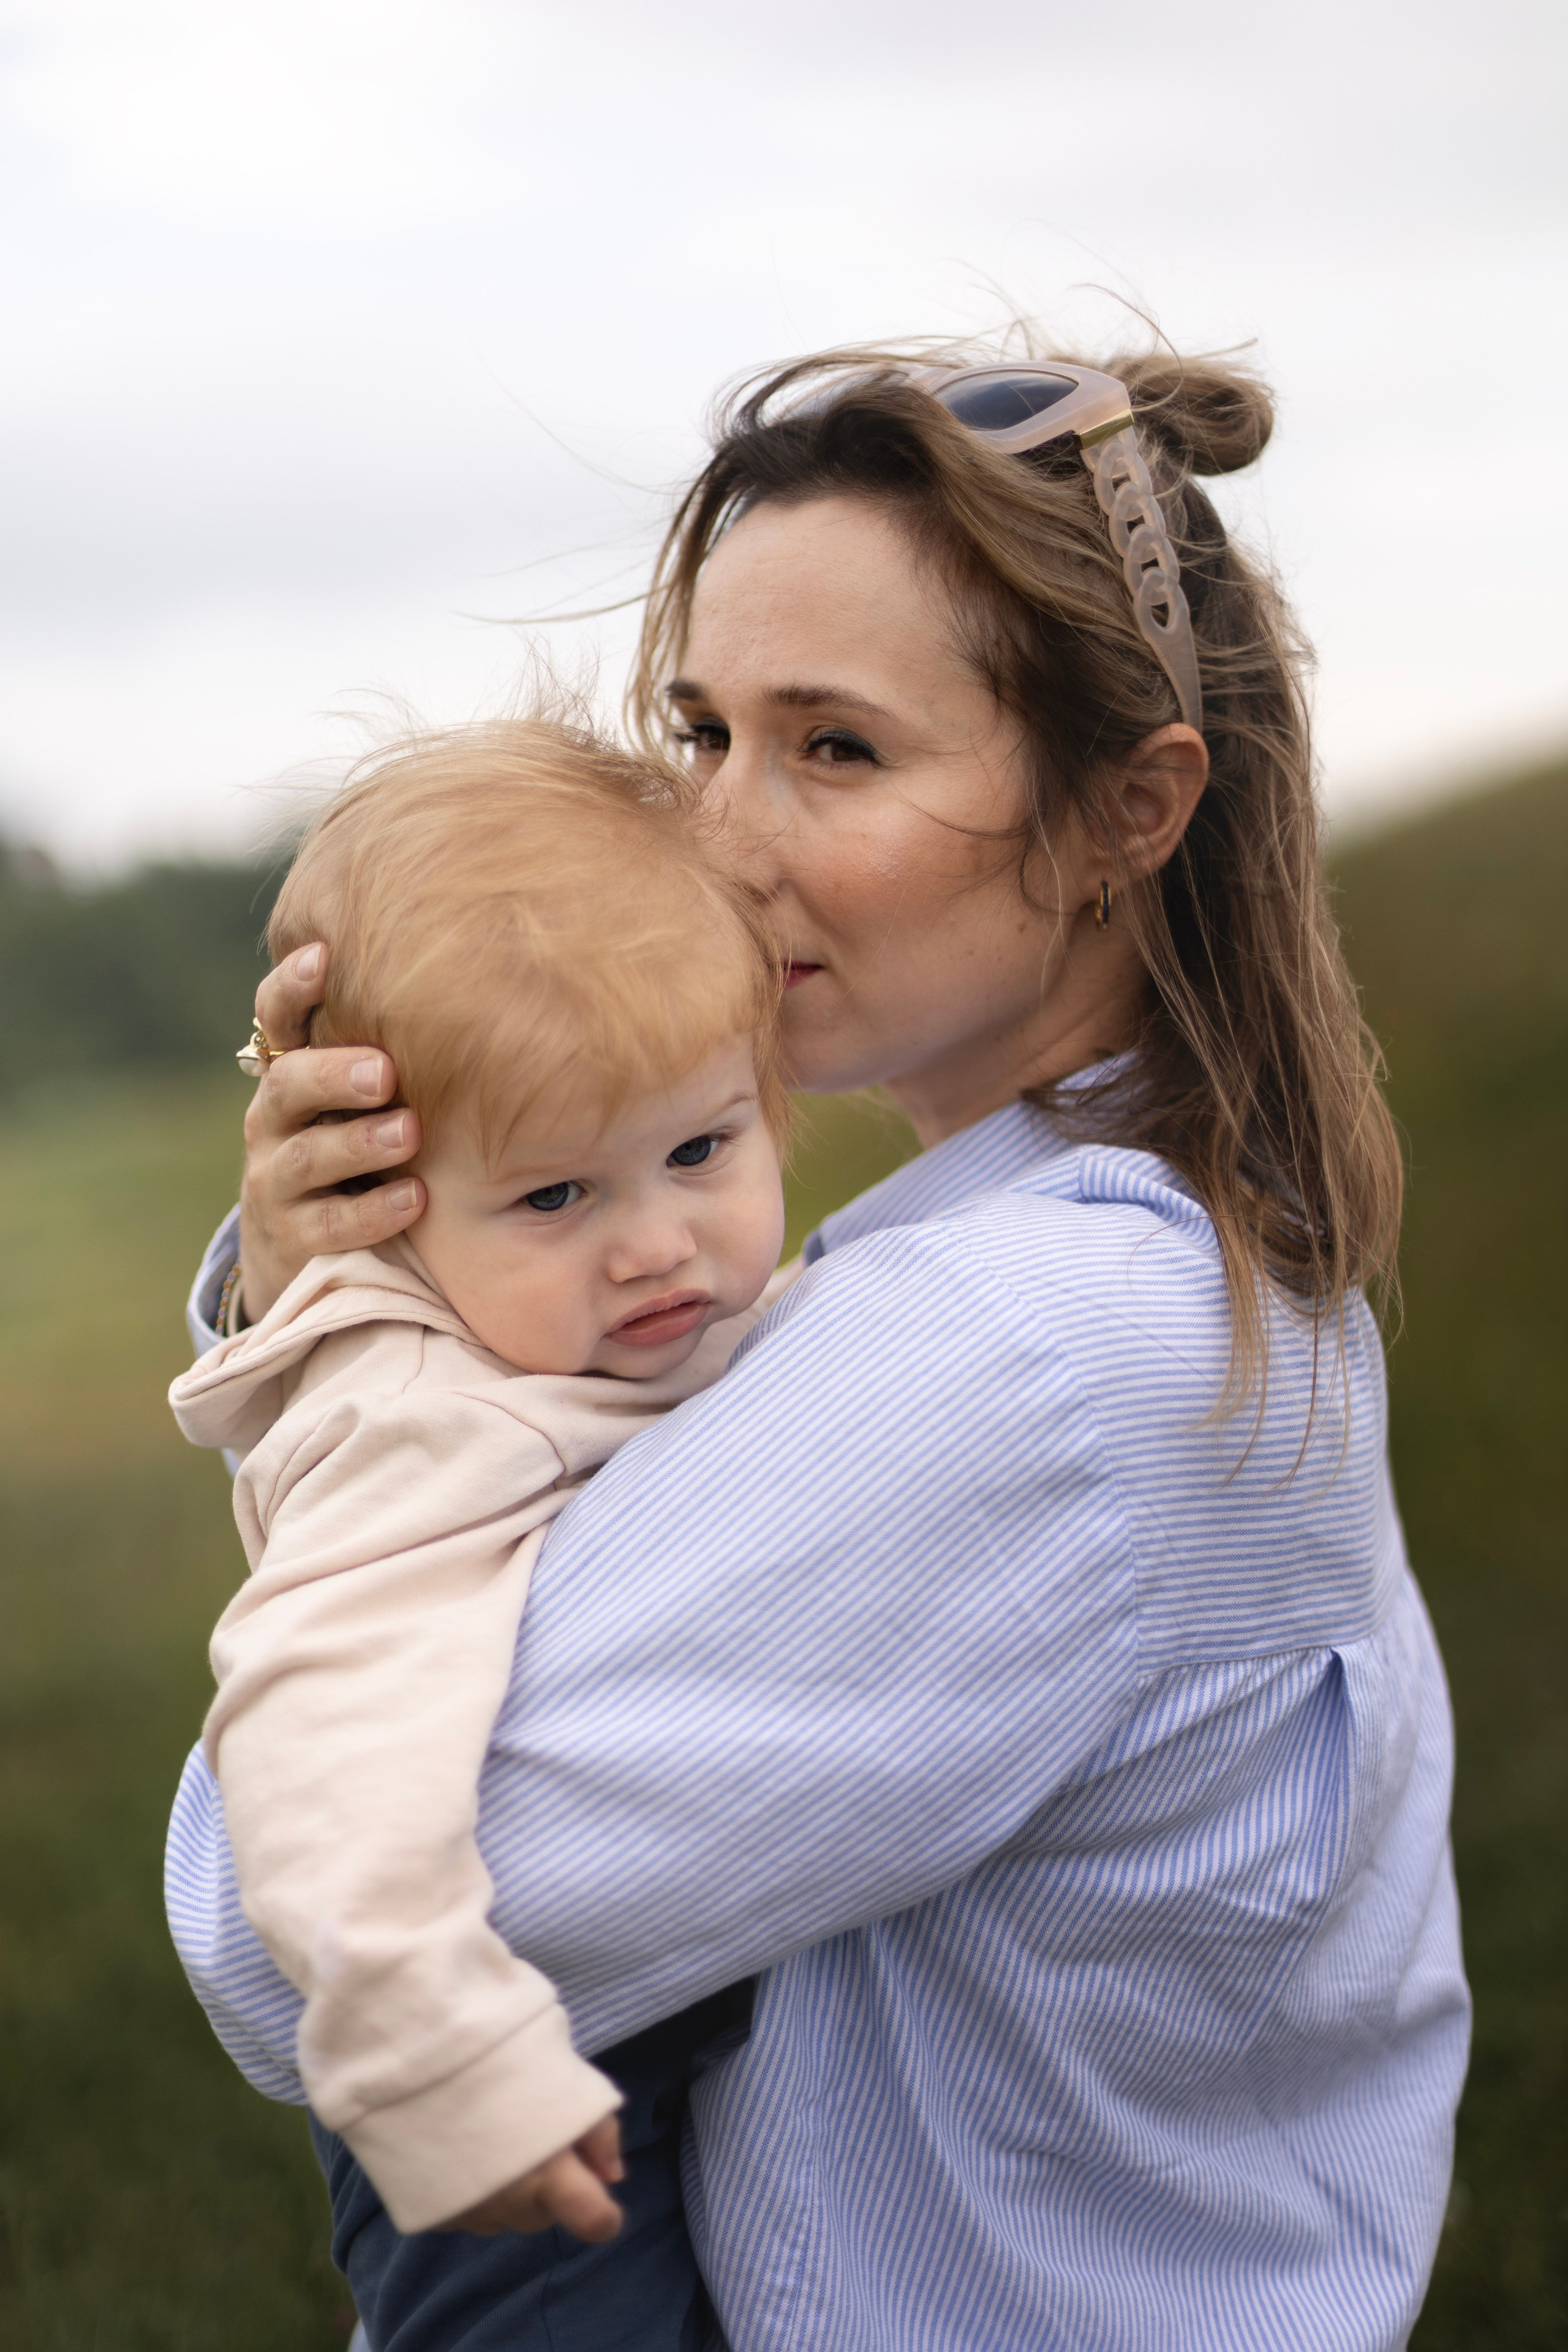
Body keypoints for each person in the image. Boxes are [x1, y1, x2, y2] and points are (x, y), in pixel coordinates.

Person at [167, 341, 1469, 2351]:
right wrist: (332, 1286)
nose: (720, 836)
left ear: (1131, 806)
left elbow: (269, 1948)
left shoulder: (1022, 1352)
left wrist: (372, 1414)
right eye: (699, 729)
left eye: (835, 749)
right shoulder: (1139, 1250)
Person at [170, 718, 791, 2345]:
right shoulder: (430, 1422)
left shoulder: (633, 1330)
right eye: (556, 1199)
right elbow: (313, 1738)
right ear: (393, 1198)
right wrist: (441, 2058)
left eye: (700, 1149)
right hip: (509, 2059)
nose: (657, 1247)